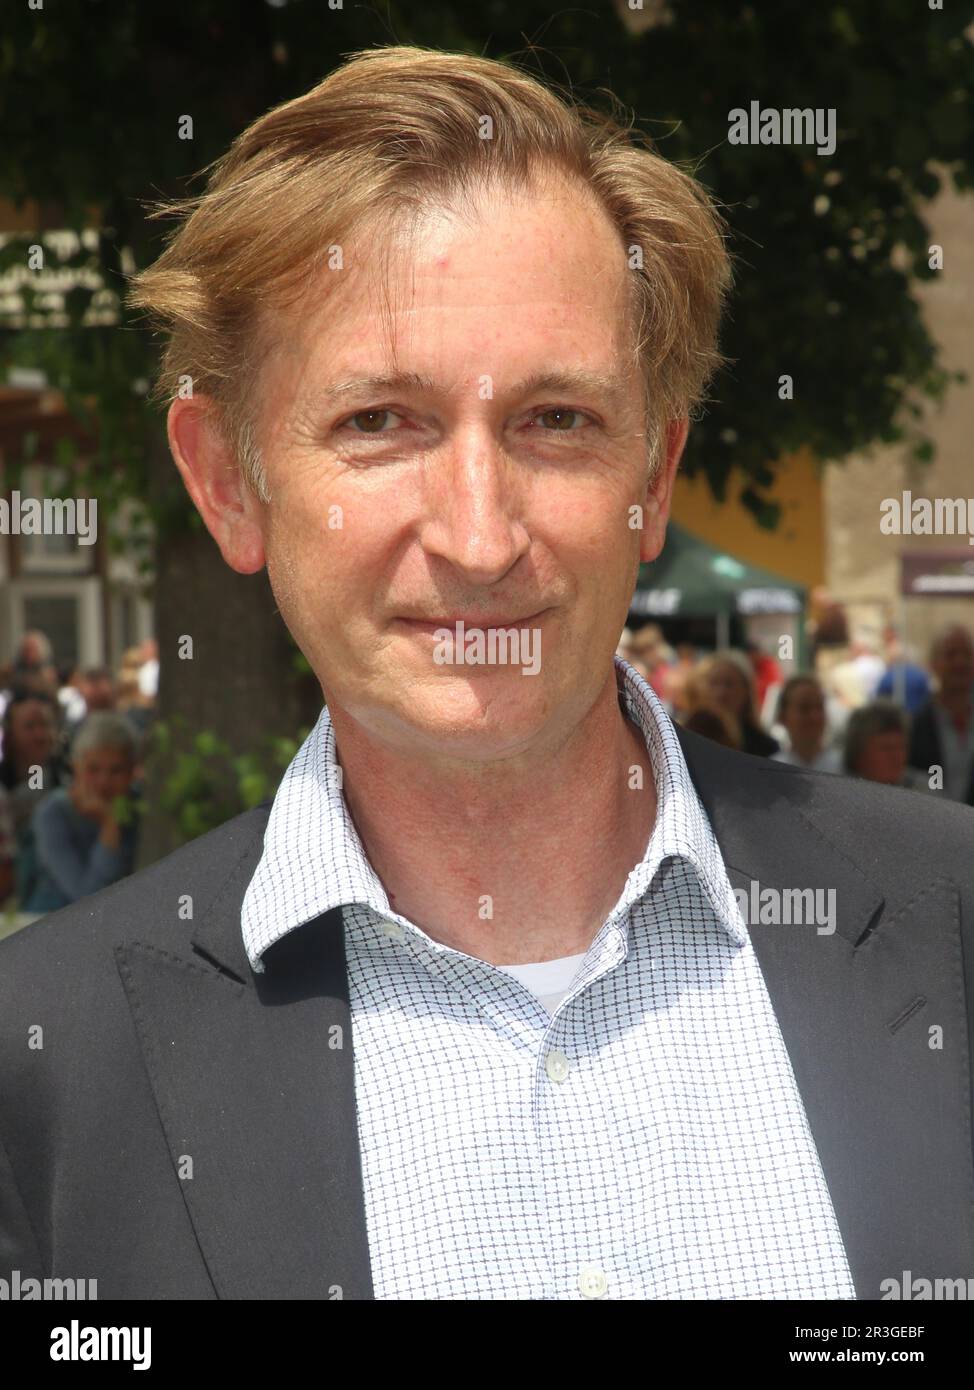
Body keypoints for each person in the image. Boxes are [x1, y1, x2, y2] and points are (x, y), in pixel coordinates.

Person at [2, 45, 974, 1302]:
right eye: (379, 422)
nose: (477, 534)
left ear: (654, 477)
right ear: (228, 484)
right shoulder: (47, 1063)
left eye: (554, 420)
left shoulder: (944, 923)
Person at [22, 714, 140, 913]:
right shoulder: (53, 813)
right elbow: (88, 898)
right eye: (93, 769)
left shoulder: (138, 806)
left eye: (116, 770)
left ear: (132, 772)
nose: (104, 782)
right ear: (76, 767)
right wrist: (110, 825)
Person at [907, 624, 974, 805]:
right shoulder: (917, 725)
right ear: (934, 664)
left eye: (967, 654)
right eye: (951, 654)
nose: (960, 662)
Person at [700, 649, 780, 757]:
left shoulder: (765, 747)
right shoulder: (692, 739)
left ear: (746, 690)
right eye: (714, 684)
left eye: (729, 684)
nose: (721, 693)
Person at [843, 701, 930, 792]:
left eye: (901, 747)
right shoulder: (838, 791)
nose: (896, 756)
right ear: (858, 752)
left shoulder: (924, 790)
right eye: (886, 747)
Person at [771, 674, 840, 773]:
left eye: (819, 707)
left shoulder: (845, 769)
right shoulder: (772, 770)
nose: (814, 717)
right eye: (804, 708)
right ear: (783, 717)